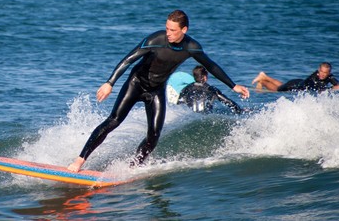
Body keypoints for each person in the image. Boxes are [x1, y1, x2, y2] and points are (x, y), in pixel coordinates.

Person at [67, 10, 249, 172]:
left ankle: (132, 167)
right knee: (114, 121)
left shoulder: (191, 47)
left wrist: (233, 86)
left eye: (172, 30)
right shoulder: (155, 40)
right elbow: (128, 59)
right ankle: (79, 160)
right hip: (136, 84)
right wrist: (110, 83)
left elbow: (212, 66)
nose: (168, 33)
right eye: (167, 28)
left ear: (184, 30)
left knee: (153, 135)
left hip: (156, 90)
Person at [178, 65, 244, 114]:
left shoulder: (185, 89)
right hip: (205, 118)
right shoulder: (210, 89)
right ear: (205, 77)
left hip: (190, 118)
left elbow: (179, 105)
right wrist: (239, 110)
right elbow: (228, 102)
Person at [252, 62, 339, 92]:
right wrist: (332, 88)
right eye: (321, 72)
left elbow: (338, 85)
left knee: (282, 85)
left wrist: (337, 87)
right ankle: (263, 81)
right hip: (293, 85)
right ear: (319, 71)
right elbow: (318, 89)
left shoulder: (329, 77)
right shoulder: (314, 78)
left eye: (325, 73)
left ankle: (264, 76)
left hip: (298, 82)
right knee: (278, 89)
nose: (323, 74)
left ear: (329, 73)